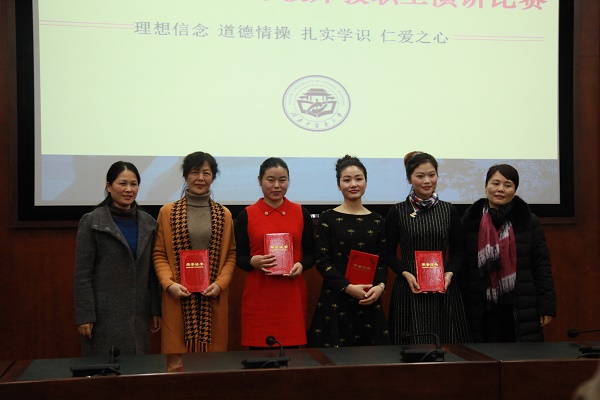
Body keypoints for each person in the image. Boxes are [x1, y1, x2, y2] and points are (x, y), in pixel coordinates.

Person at [74, 161, 161, 357]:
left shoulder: (148, 223)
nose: (129, 189)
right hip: (103, 316)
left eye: (134, 184)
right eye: (122, 183)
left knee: (137, 369)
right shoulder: (92, 221)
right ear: (109, 186)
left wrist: (156, 309)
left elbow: (152, 272)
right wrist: (85, 315)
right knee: (104, 370)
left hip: (138, 315)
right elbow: (82, 275)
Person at [461, 164, 556, 342]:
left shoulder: (529, 222)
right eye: (495, 183)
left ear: (515, 190)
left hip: (520, 307)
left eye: (507, 185)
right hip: (480, 308)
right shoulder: (470, 221)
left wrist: (547, 306)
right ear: (486, 187)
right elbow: (463, 266)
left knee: (520, 357)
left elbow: (542, 266)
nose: (500, 189)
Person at [153, 151, 236, 353]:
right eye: (194, 172)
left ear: (213, 177)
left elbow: (230, 255)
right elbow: (159, 254)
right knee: (177, 362)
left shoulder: (224, 214)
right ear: (185, 176)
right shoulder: (167, 212)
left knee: (212, 363)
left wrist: (220, 284)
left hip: (213, 297)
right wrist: (169, 284)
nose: (200, 178)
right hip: (177, 297)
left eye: (206, 173)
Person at [386, 151, 471, 344]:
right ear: (409, 179)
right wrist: (405, 274)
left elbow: (458, 252)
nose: (427, 181)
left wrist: (449, 273)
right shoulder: (397, 211)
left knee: (448, 348)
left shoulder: (448, 210)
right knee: (408, 348)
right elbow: (389, 253)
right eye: (420, 176)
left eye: (432, 175)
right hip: (409, 287)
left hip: (443, 287)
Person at [308, 155, 390, 348]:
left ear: (366, 182)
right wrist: (347, 287)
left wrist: (380, 287)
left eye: (358, 179)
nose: (353, 184)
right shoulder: (328, 218)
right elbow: (322, 260)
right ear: (339, 185)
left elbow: (382, 261)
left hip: (368, 298)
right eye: (347, 180)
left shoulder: (377, 220)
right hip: (335, 298)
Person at [235, 157, 315, 348]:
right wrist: (252, 261)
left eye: (283, 180)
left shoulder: (301, 213)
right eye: (270, 180)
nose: (277, 186)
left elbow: (312, 254)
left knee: (293, 356)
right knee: (259, 356)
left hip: (291, 295)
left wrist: (301, 265)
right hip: (259, 296)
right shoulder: (247, 214)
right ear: (259, 180)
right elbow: (239, 258)